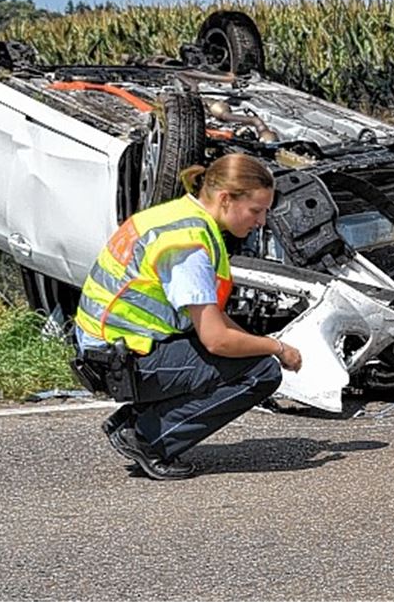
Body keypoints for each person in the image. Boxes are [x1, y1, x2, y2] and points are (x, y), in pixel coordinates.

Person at [74, 153, 302, 480]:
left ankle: (138, 420)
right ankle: (147, 436)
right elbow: (217, 339)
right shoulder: (189, 246)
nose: (261, 221)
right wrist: (276, 348)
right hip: (120, 361)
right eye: (256, 210)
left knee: (244, 355)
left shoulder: (176, 216)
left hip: (108, 348)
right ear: (225, 199)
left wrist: (262, 342)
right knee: (260, 371)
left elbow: (213, 319)